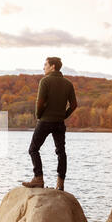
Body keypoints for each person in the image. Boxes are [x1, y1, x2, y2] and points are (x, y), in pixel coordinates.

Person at [22, 57, 77, 191]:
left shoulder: (45, 81)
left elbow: (39, 102)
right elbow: (74, 105)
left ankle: (38, 178)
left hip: (45, 121)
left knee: (33, 149)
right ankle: (60, 183)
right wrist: (63, 115)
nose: (43, 67)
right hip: (59, 123)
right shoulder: (68, 84)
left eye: (45, 65)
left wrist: (39, 115)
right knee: (61, 152)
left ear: (53, 66)